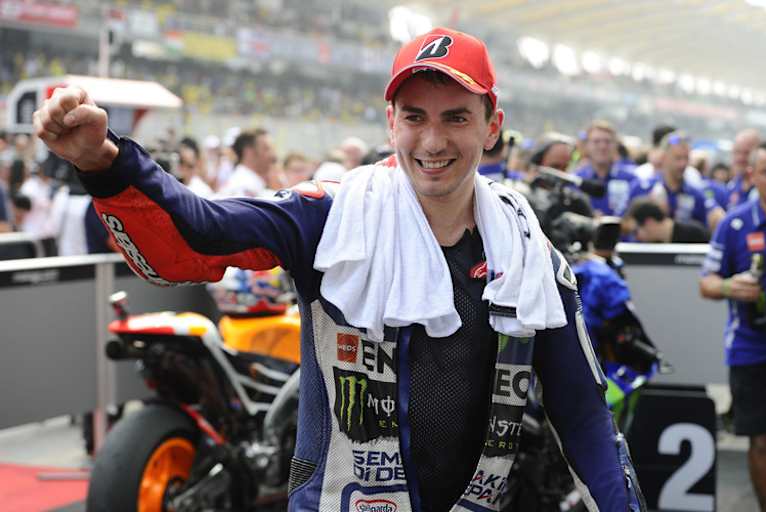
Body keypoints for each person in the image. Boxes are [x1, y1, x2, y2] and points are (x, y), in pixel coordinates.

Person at [33, 27, 645, 512]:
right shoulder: (331, 215)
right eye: (414, 116)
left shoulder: (530, 251)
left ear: (492, 128)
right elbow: (197, 237)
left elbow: (585, 416)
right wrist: (106, 163)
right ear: (390, 123)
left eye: (456, 116)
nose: (432, 140)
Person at [699, 141, 766, 512]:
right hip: (751, 348)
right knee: (760, 442)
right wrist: (730, 286)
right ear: (752, 176)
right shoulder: (734, 223)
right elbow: (706, 282)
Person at [626, 131, 725, 233]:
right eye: (677, 158)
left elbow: (712, 220)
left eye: (686, 158)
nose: (682, 164)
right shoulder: (641, 188)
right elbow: (625, 224)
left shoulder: (696, 194)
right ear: (664, 158)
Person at [574, 120, 637, 216]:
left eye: (607, 142)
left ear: (616, 145)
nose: (602, 146)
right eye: (596, 141)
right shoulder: (576, 180)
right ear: (587, 145)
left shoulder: (631, 180)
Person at [217, 128, 278, 198]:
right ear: (248, 152)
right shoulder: (245, 187)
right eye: (266, 149)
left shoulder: (250, 183)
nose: (273, 156)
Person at [625, 198, 710, 243]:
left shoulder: (696, 234)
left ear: (649, 223)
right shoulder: (653, 245)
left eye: (635, 231)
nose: (636, 237)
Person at [727, 128, 761, 210]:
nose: (740, 158)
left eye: (746, 153)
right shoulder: (732, 186)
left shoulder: (763, 187)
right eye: (737, 152)